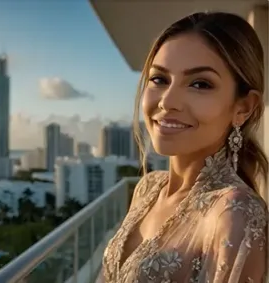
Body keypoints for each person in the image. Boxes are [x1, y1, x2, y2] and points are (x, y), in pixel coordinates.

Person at [99, 11, 269, 283]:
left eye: (200, 84)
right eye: (159, 79)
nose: (167, 101)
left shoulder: (234, 211)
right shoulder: (148, 188)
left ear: (243, 107)